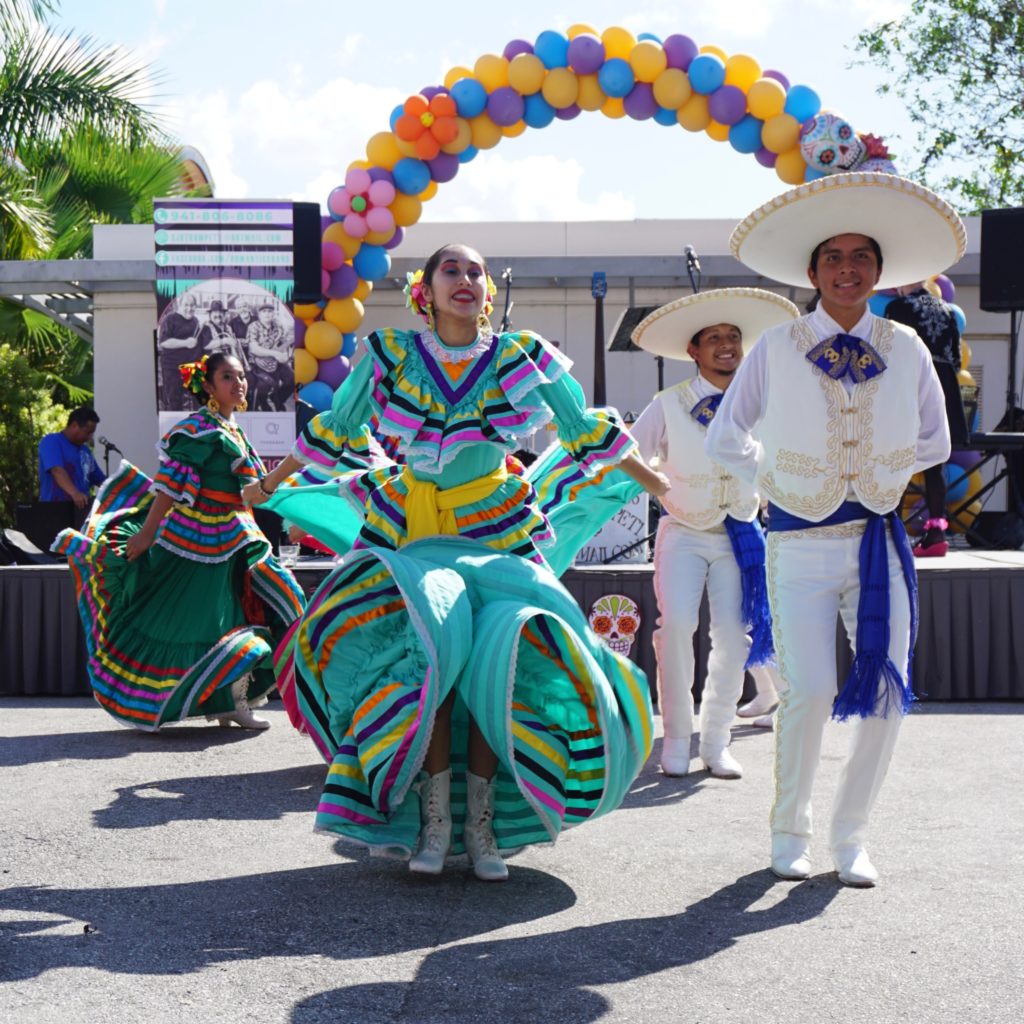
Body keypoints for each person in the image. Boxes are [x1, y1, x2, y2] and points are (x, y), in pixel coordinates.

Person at [246, 242, 668, 882]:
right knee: (432, 666)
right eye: (452, 270)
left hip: (494, 529)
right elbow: (335, 426)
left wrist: (661, 485)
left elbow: (583, 428)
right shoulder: (392, 355)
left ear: (486, 293)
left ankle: (483, 826)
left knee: (498, 667)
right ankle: (435, 822)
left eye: (475, 272)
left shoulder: (516, 356)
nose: (465, 280)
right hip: (412, 529)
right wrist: (269, 482)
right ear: (427, 289)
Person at [707, 172, 963, 887]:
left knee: (887, 691)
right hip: (797, 546)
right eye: (834, 258)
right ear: (814, 271)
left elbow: (937, 442)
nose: (848, 269)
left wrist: (882, 472)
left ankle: (852, 837)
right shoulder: (777, 345)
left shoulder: (907, 344)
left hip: (879, 542)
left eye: (861, 258)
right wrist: (778, 478)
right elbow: (729, 437)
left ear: (878, 271)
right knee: (812, 689)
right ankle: (790, 829)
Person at [53, 352, 306, 732]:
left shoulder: (232, 430)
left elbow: (252, 495)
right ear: (208, 386)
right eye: (226, 377)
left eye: (241, 376)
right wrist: (147, 532)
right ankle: (216, 701)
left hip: (236, 538)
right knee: (203, 621)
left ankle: (232, 702)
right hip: (198, 542)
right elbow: (169, 488)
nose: (238, 383)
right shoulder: (199, 430)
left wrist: (297, 469)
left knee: (244, 613)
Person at [630, 289, 796, 779]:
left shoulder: (760, 403)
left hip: (740, 534)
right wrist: (655, 480)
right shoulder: (668, 402)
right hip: (683, 530)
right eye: (714, 339)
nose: (726, 345)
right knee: (677, 627)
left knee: (731, 637)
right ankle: (677, 739)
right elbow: (624, 450)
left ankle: (717, 740)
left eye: (733, 338)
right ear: (694, 352)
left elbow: (783, 459)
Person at [884, 283, 963, 557]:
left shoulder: (898, 308)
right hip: (945, 385)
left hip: (912, 382)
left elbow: (887, 353)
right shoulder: (948, 310)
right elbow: (957, 359)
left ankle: (893, 531)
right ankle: (937, 532)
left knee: (898, 453)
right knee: (936, 459)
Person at [38, 407, 105, 508]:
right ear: (74, 425)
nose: (90, 437)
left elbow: (99, 479)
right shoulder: (52, 441)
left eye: (92, 433)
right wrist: (74, 493)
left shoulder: (85, 451)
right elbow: (57, 470)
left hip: (81, 509)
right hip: (55, 509)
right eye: (88, 432)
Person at [157, 294, 202, 409]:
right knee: (175, 401)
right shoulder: (170, 319)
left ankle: (197, 425)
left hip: (191, 367)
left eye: (192, 305)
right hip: (172, 368)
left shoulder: (195, 321)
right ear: (179, 306)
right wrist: (186, 342)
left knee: (199, 399)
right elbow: (164, 342)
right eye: (186, 305)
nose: (189, 308)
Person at [246, 301, 292, 411]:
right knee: (263, 387)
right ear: (259, 314)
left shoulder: (278, 327)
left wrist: (286, 355)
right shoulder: (253, 326)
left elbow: (284, 345)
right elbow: (254, 348)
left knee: (291, 379)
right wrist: (275, 353)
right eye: (264, 311)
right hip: (257, 364)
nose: (267, 314)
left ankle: (279, 399)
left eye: (270, 311)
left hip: (275, 363)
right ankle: (263, 404)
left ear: (273, 314)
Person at [198, 300, 248, 367]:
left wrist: (238, 342)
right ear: (210, 315)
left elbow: (232, 342)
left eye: (220, 312)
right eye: (215, 312)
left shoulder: (228, 327)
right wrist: (225, 341)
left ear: (224, 314)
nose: (218, 314)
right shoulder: (206, 327)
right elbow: (206, 346)